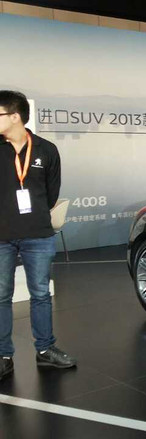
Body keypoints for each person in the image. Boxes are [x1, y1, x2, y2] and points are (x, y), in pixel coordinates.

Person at [0, 90, 76, 382]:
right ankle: (3, 355)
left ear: (14, 117)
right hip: (1, 236)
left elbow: (51, 193)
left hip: (38, 235)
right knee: (1, 296)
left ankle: (45, 349)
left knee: (41, 294)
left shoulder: (46, 149)